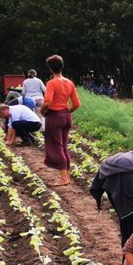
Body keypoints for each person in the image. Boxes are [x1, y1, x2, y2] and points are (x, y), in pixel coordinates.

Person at [41, 55, 80, 187]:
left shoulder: (52, 83)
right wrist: (67, 112)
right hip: (66, 116)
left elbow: (47, 102)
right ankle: (67, 176)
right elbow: (76, 104)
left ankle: (63, 178)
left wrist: (42, 112)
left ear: (50, 69)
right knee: (64, 146)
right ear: (62, 66)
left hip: (54, 116)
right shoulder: (69, 83)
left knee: (56, 146)